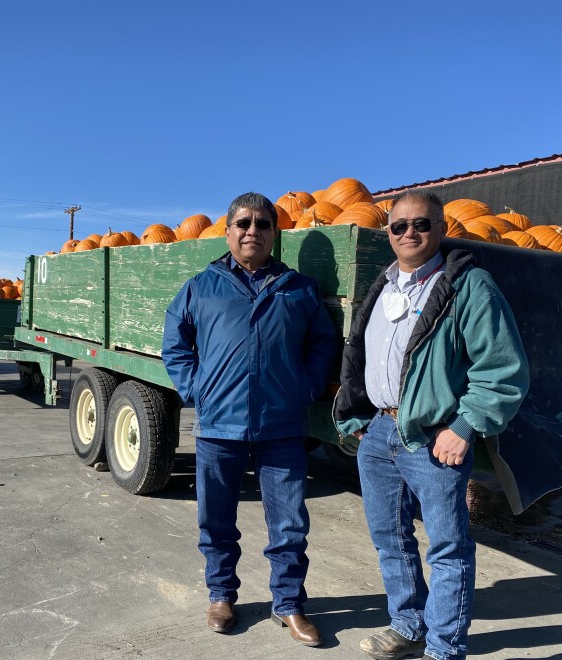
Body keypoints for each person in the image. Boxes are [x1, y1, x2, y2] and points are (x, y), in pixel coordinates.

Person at [334, 191, 529, 660]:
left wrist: (465, 426)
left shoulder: (468, 286)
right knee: (390, 539)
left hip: (433, 437)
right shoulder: (384, 286)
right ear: (388, 233)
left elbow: (503, 369)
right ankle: (408, 625)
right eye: (399, 225)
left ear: (441, 229)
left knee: (447, 547)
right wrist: (359, 415)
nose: (410, 232)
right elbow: (362, 356)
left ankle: (444, 647)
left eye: (421, 224)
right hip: (379, 431)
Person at [162, 192, 337, 646]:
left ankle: (290, 603)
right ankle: (221, 595)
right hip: (219, 426)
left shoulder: (298, 288)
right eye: (243, 223)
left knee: (289, 525)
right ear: (228, 232)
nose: (252, 231)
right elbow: (175, 344)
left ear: (275, 233)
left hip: (281, 426)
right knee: (216, 520)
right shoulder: (202, 287)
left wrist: (306, 387)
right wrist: (196, 389)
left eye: (262, 224)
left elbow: (322, 343)